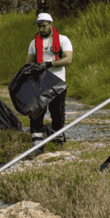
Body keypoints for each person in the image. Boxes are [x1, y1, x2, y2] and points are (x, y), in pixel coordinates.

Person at [24, 13, 73, 149]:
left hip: (57, 82)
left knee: (57, 113)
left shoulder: (63, 40)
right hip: (39, 83)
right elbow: (28, 63)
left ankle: (57, 142)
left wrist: (48, 64)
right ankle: (37, 143)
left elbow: (68, 59)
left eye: (44, 26)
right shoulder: (34, 43)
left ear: (51, 24)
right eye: (39, 26)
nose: (41, 29)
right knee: (36, 113)